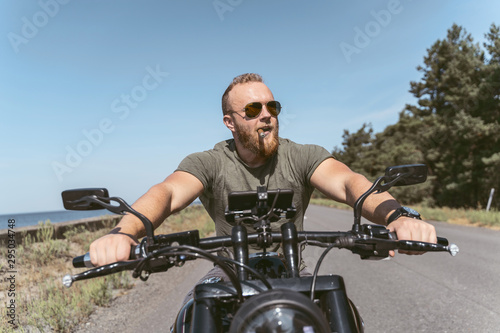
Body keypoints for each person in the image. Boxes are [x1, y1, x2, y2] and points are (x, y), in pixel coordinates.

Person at [88, 73, 437, 271]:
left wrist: (398, 216)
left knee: (335, 302)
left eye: (272, 106)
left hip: (291, 274)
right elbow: (166, 193)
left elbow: (350, 184)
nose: (266, 114)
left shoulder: (302, 156)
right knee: (194, 315)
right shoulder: (209, 162)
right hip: (228, 276)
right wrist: (125, 233)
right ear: (230, 122)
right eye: (253, 109)